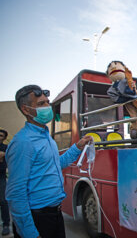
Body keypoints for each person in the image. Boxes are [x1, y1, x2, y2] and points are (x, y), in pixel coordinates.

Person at [6, 85, 92, 238]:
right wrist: (29, 233)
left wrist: (77, 147)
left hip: (54, 216)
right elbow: (15, 194)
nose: (47, 106)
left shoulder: (45, 136)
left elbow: (55, 165)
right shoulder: (23, 142)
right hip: (38, 219)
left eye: (47, 102)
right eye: (41, 104)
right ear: (26, 110)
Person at [0, 129, 10, 236]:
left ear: (4, 138)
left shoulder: (6, 148)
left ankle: (6, 225)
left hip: (1, 177)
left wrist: (3, 156)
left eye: (1, 136)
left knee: (3, 201)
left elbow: (4, 163)